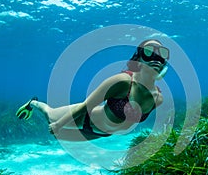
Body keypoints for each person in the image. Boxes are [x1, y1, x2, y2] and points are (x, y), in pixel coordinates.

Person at [16, 39, 170, 141]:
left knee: (59, 138)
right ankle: (34, 103)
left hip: (101, 134)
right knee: (50, 116)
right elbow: (86, 105)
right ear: (138, 59)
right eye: (149, 51)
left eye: (161, 54)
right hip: (86, 118)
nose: (155, 58)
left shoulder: (158, 98)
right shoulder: (122, 82)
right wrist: (59, 125)